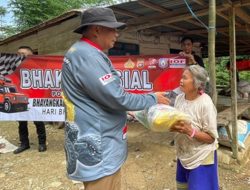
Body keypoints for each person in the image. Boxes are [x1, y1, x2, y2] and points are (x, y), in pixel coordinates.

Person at [61, 7, 169, 190]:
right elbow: (117, 98)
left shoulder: (84, 52)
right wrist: (152, 98)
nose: (117, 34)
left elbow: (103, 96)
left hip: (98, 138)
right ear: (97, 29)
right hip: (98, 143)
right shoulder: (87, 55)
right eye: (113, 28)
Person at [170, 65, 219, 190]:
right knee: (183, 187)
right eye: (181, 77)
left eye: (185, 78)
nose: (181, 80)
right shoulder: (179, 99)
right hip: (184, 154)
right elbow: (178, 122)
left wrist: (190, 131)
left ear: (197, 83)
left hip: (201, 156)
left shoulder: (205, 103)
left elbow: (211, 138)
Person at [13, 46, 47, 154]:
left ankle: (42, 143)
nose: (20, 56)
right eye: (18, 54)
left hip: (34, 98)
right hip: (20, 98)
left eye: (23, 54)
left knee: (38, 122)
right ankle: (24, 144)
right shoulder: (13, 67)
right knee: (22, 123)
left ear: (30, 55)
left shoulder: (38, 67)